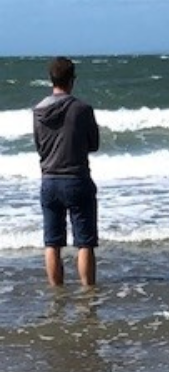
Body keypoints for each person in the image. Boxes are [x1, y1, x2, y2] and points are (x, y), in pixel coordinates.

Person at [33, 56, 100, 287]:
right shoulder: (82, 109)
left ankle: (56, 293)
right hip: (76, 178)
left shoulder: (39, 111)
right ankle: (88, 291)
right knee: (85, 243)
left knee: (52, 243)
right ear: (72, 80)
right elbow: (94, 144)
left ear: (51, 79)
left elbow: (39, 146)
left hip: (50, 180)